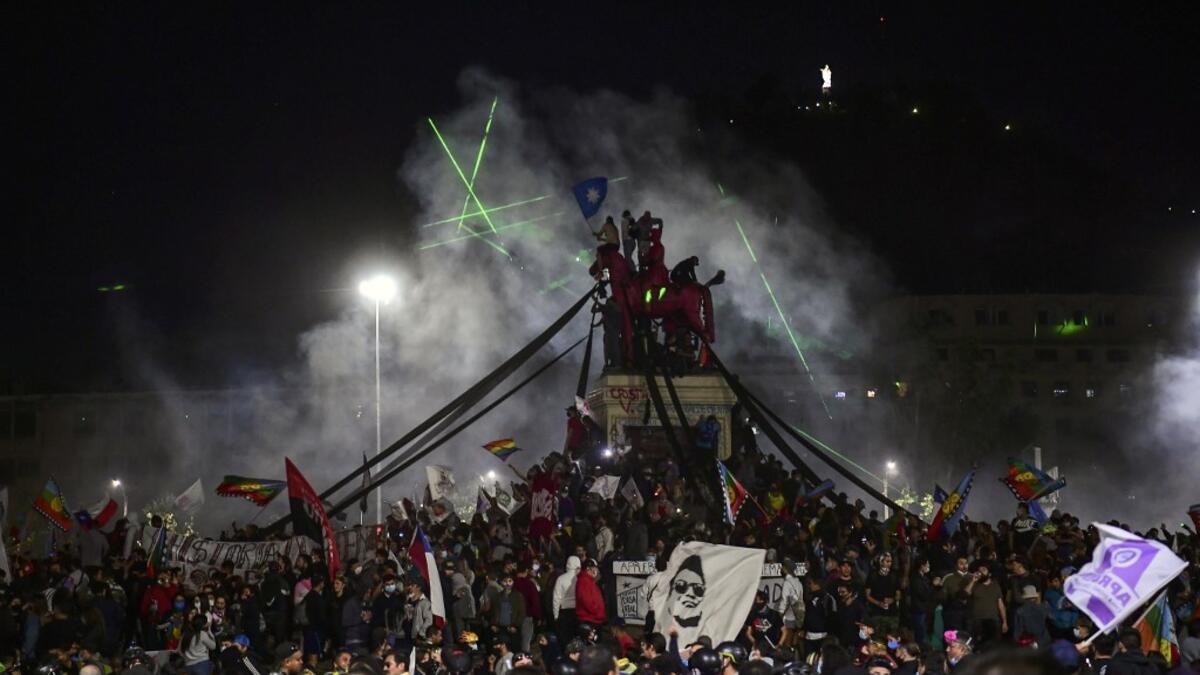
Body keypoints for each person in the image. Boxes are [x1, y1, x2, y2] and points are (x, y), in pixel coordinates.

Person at [964, 562, 1006, 648]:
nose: (980, 572)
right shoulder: (974, 583)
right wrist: (973, 580)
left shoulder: (995, 584)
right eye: (979, 570)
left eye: (983, 570)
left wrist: (1005, 621)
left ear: (989, 574)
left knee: (994, 646)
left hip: (993, 619)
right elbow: (966, 592)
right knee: (978, 646)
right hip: (977, 620)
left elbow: (1000, 604)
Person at [553, 557, 581, 643]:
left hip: (565, 612)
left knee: (566, 639)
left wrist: (556, 615)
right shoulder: (580, 578)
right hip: (578, 611)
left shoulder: (561, 579)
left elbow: (556, 599)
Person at [574, 560, 606, 634]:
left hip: (593, 619)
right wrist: (597, 611)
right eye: (594, 568)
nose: (596, 570)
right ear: (588, 569)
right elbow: (586, 601)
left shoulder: (589, 580)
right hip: (590, 620)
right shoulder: (584, 581)